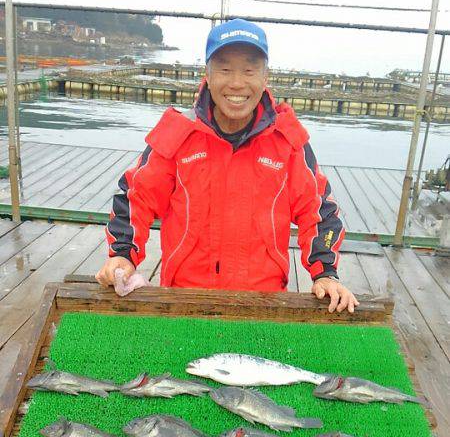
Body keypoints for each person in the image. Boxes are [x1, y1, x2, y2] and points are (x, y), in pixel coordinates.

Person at [96, 18, 358, 313]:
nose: (236, 83)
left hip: (265, 302)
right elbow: (136, 197)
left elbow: (320, 211)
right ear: (207, 73)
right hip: (183, 298)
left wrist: (325, 273)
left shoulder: (289, 143)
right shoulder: (177, 134)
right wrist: (123, 254)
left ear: (265, 76)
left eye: (249, 70)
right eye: (224, 69)